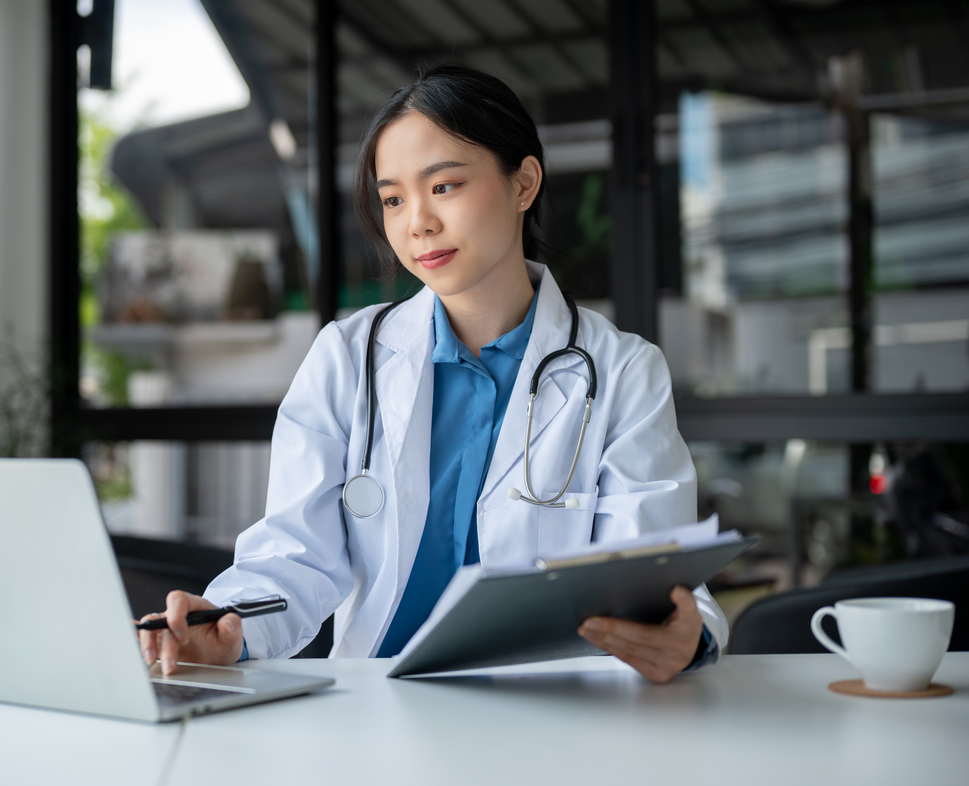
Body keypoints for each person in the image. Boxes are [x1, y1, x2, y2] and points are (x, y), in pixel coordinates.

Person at [139, 64, 726, 684]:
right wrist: (229, 626)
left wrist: (683, 635)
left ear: (523, 182)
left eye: (443, 186)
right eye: (393, 199)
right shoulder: (347, 357)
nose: (416, 222)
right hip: (381, 706)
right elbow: (294, 557)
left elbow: (653, 571)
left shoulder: (622, 371)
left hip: (553, 707)